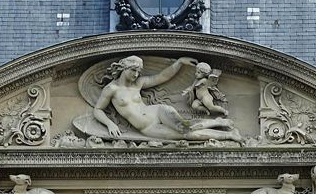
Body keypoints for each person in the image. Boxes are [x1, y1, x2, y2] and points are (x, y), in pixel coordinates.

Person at [93, 55, 242, 142]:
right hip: (147, 127)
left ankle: (218, 122)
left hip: (157, 111)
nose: (136, 75)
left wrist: (179, 62)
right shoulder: (111, 89)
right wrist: (110, 124)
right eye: (133, 70)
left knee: (185, 127)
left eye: (139, 71)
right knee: (186, 135)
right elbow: (98, 110)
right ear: (123, 68)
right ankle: (228, 133)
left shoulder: (139, 83)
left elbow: (162, 76)